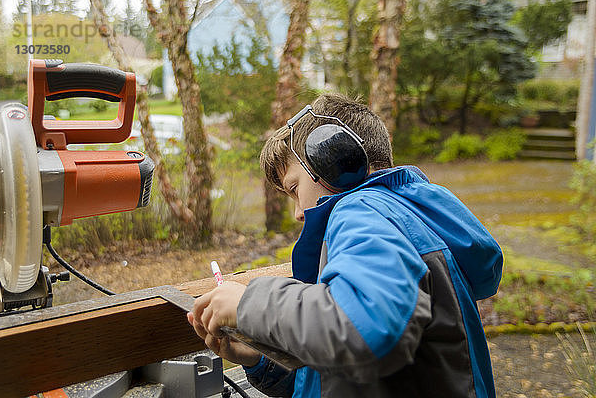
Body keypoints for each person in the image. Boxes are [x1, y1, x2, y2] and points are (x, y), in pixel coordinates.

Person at [187, 93, 503, 398]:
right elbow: (357, 373)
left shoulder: (361, 211)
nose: (298, 212)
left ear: (330, 160)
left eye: (295, 188)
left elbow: (365, 328)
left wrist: (248, 304)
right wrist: (259, 359)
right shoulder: (403, 215)